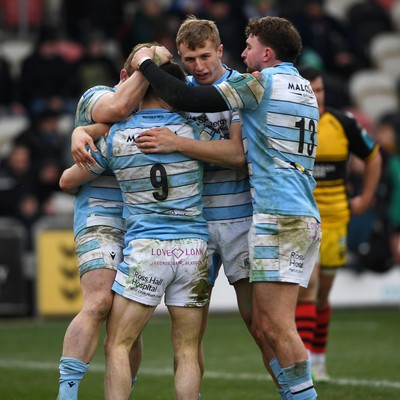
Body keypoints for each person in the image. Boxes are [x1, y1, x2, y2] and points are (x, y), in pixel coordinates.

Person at [133, 16, 321, 400]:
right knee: (191, 333)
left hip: (250, 218)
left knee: (266, 326)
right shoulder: (296, 88)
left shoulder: (248, 85)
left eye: (205, 56)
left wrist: (174, 137)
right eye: (189, 59)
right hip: (195, 222)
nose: (198, 66)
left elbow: (236, 153)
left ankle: (298, 393)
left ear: (221, 51)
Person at [59, 60, 243, 400]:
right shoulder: (194, 132)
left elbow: (68, 180)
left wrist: (83, 133)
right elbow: (233, 153)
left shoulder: (117, 136)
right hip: (193, 252)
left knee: (117, 344)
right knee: (187, 350)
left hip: (147, 250)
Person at [56, 43, 171, 400]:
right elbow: (119, 107)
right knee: (99, 303)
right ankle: (67, 393)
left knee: (126, 325)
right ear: (126, 76)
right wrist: (146, 64)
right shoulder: (97, 96)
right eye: (143, 77)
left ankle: (123, 391)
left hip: (139, 224)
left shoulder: (155, 116)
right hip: (99, 216)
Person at [294, 66, 382, 382]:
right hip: (304, 221)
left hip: (337, 221)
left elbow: (373, 156)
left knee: (321, 296)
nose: (316, 97)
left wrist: (366, 197)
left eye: (320, 91)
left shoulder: (341, 122)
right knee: (308, 290)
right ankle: (303, 363)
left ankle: (319, 360)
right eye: (310, 91)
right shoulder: (289, 122)